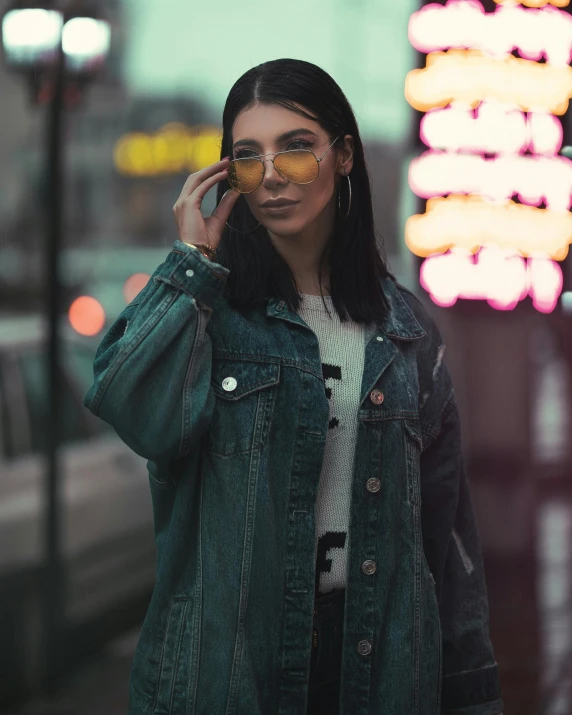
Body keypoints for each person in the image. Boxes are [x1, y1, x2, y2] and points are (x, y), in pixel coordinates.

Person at [84, 58, 504, 715]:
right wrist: (191, 263)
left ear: (343, 157)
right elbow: (133, 408)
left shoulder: (406, 331)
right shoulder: (211, 314)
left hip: (380, 665)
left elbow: (446, 538)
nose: (273, 175)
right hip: (232, 672)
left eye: (297, 149)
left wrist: (472, 689)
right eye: (248, 157)